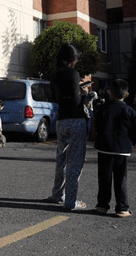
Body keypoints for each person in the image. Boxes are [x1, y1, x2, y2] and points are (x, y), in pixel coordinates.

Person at [46, 42, 87, 211]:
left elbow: (56, 98)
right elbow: (76, 101)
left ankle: (57, 194)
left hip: (61, 121)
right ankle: (71, 201)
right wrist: (84, 94)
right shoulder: (74, 73)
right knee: (75, 163)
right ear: (72, 59)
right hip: (76, 120)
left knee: (61, 160)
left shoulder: (55, 74)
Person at [94, 79, 136, 218]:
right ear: (126, 94)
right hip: (122, 149)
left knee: (104, 178)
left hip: (104, 148)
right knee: (121, 178)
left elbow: (97, 125)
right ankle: (122, 208)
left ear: (110, 93)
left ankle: (102, 205)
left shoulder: (104, 108)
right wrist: (131, 142)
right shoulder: (129, 110)